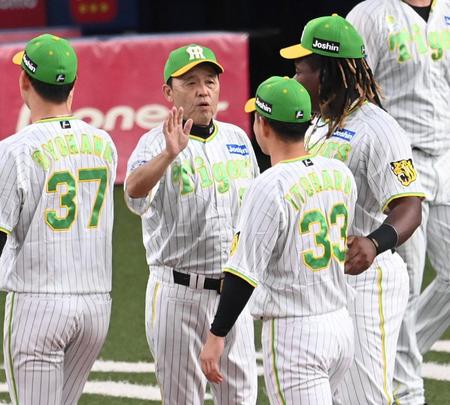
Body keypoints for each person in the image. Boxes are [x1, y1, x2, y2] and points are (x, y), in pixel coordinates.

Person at [280, 14, 425, 405]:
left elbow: (410, 206)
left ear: (328, 72)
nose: (295, 81)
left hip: (369, 281)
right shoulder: (315, 126)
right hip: (327, 281)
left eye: (301, 70)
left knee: (363, 396)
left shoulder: (379, 129)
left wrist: (375, 243)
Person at [200, 75, 358, 404]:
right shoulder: (338, 173)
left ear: (263, 124)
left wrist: (217, 334)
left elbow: (242, 274)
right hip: (342, 325)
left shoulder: (269, 185)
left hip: (296, 335)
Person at [124, 44, 259, 404]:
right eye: (191, 82)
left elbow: (256, 212)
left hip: (231, 294)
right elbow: (133, 194)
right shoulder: (154, 142)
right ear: (169, 92)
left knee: (240, 398)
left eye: (210, 82)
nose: (203, 91)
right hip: (176, 293)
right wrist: (169, 155)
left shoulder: (238, 140)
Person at [0, 34, 117, 405]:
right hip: (96, 309)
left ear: (24, 82)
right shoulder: (104, 144)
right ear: (72, 86)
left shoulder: (13, 150)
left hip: (39, 305)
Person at [346, 2, 450, 403]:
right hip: (402, 159)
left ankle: (391, 361)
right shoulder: (372, 13)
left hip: (445, 155)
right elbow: (350, 83)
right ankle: (407, 391)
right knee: (404, 284)